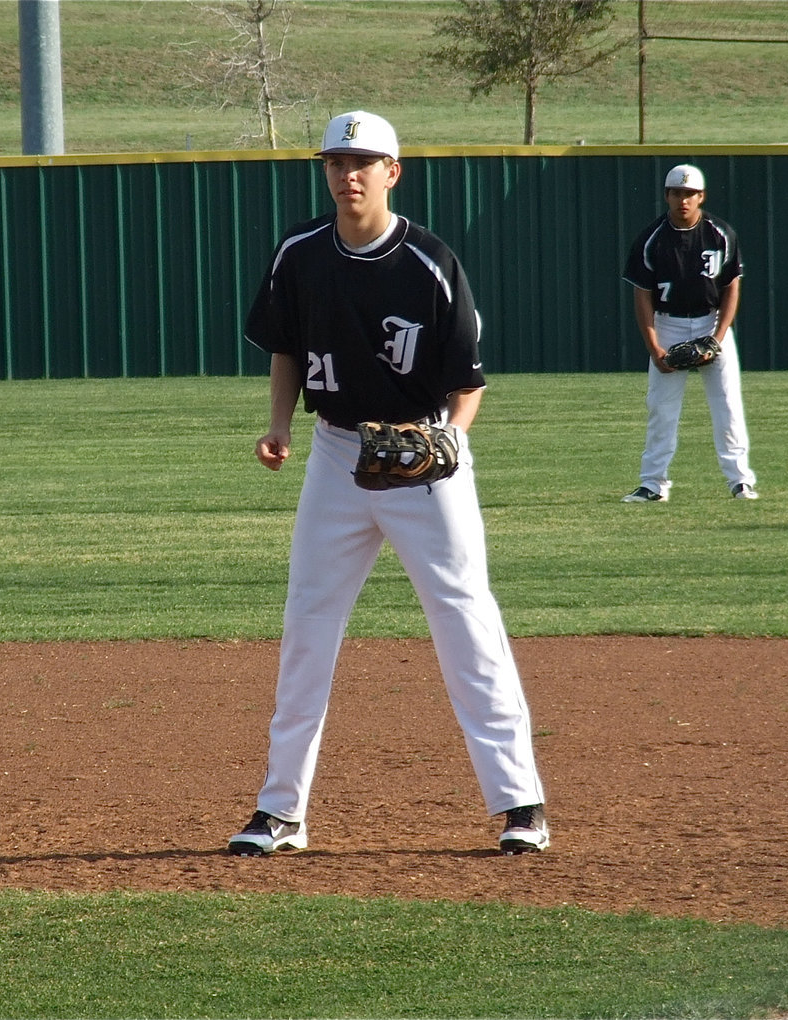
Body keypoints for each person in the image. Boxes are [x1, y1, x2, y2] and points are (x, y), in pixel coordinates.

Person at [229, 111, 548, 857]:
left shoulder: (431, 263)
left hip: (421, 460)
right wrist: (278, 424)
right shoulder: (299, 252)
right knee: (308, 625)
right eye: (337, 161)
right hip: (336, 454)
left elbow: (470, 384)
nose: (349, 173)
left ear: (392, 172)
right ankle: (281, 811)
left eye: (365, 161)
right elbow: (283, 346)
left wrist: (447, 440)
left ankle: (521, 804)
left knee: (465, 622)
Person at [620, 163, 758, 503]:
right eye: (677, 193)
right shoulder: (651, 239)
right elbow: (642, 296)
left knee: (727, 405)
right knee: (661, 408)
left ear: (702, 197)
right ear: (667, 196)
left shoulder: (720, 233)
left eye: (691, 193)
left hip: (712, 322)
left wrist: (719, 336)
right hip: (668, 324)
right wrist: (654, 347)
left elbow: (731, 288)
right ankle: (653, 484)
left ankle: (740, 481)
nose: (684, 200)